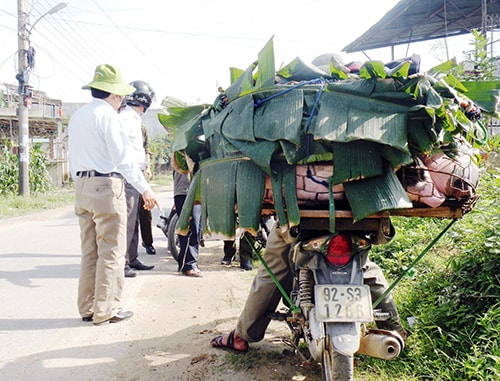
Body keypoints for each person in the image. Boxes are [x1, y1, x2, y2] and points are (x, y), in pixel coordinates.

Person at [210, 221, 406, 351]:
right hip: (357, 220)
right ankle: (395, 330)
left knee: (272, 270)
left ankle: (241, 336)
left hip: (303, 219)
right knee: (364, 266)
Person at [68, 64, 159, 325]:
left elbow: (72, 157)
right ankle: (106, 310)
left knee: (90, 252)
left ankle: (87, 308)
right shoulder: (109, 117)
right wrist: (145, 189)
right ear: (116, 94)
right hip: (107, 186)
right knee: (111, 252)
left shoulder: (78, 116)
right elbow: (124, 160)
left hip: (82, 186)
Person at [119, 80, 157, 277]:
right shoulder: (126, 119)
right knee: (127, 222)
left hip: (136, 176)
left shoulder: (133, 118)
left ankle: (132, 258)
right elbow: (125, 153)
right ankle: (123, 263)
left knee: (134, 222)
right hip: (128, 176)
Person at [173, 170, 202, 277]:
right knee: (189, 228)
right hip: (183, 191)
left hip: (199, 191)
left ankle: (189, 263)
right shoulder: (179, 153)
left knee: (196, 229)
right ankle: (188, 265)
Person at [139, 124, 156, 255]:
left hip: (139, 172)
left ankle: (148, 242)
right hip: (121, 173)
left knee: (145, 209)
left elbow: (147, 148)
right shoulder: (117, 123)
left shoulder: (142, 128)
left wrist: (148, 167)